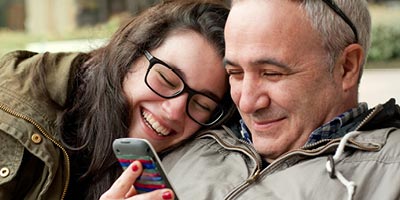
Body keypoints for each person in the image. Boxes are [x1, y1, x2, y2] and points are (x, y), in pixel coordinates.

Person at [159, 0, 400, 199]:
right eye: (235, 73)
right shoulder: (188, 141)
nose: (247, 103)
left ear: (346, 67)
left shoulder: (391, 173)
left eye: (271, 73)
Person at [0, 0, 235, 199]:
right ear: (130, 54)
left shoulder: (197, 161)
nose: (174, 111)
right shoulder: (12, 109)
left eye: (202, 104)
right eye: (166, 79)